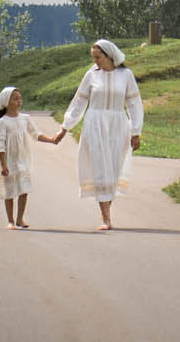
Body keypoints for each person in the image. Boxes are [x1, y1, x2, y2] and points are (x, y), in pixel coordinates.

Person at [60, 40, 144, 230]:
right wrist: (65, 126)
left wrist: (135, 132)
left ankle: (106, 211)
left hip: (118, 124)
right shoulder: (91, 75)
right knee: (100, 168)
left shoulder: (126, 75)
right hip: (95, 123)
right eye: (94, 58)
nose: (95, 61)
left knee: (113, 170)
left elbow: (134, 104)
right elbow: (79, 103)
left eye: (98, 57)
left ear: (109, 55)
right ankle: (106, 218)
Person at [0, 86, 62, 229]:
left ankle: (20, 219)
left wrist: (51, 140)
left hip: (23, 159)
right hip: (8, 161)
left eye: (20, 98)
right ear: (6, 102)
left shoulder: (25, 119)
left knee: (24, 189)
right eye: (15, 99)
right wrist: (3, 165)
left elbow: (36, 134)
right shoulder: (2, 122)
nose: (19, 101)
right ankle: (10, 221)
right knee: (9, 191)